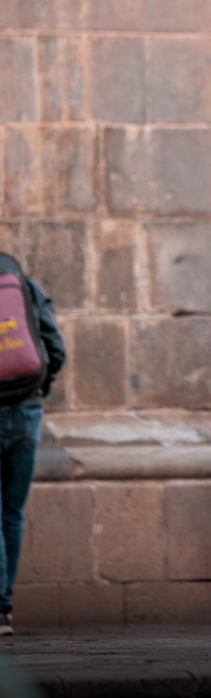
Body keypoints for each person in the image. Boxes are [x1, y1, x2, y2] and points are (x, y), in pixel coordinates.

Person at [0, 255, 66, 637]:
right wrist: (37, 388)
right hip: (27, 411)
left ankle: (0, 609)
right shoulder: (25, 284)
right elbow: (55, 349)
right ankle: (4, 607)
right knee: (12, 513)